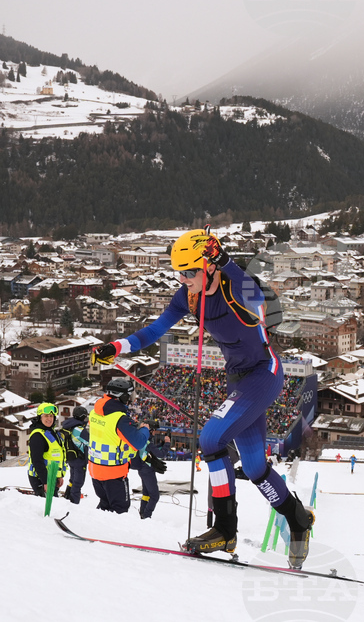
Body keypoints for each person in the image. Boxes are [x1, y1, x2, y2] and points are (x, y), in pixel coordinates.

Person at [94, 229, 314, 568]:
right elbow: (155, 330)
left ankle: (224, 529)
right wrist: (117, 347)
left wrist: (226, 261)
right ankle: (298, 519)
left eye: (190, 271)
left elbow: (257, 297)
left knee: (211, 438)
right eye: (179, 273)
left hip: (263, 373)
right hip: (237, 378)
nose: (184, 279)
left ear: (209, 266)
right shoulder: (188, 296)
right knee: (255, 468)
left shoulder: (233, 286)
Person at [87, 377, 152, 514]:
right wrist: (145, 430)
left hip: (95, 469)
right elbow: (138, 442)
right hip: (113, 472)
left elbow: (108, 434)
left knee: (105, 505)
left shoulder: (95, 412)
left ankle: (95, 524)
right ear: (123, 396)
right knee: (120, 509)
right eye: (129, 396)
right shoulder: (119, 419)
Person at [27, 402, 67, 498]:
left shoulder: (50, 432)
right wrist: (45, 481)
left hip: (52, 476)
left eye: (51, 416)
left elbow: (55, 457)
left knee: (54, 503)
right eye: (46, 416)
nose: (49, 419)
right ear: (40, 417)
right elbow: (37, 461)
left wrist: (59, 475)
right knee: (47, 504)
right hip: (41, 478)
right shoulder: (38, 436)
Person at [130, 423, 167, 519]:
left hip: (142, 469)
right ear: (150, 430)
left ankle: (143, 513)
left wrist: (161, 444)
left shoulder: (142, 440)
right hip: (147, 471)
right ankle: (146, 516)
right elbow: (161, 454)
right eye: (154, 431)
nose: (155, 433)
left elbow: (150, 450)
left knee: (146, 494)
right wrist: (167, 443)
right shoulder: (147, 442)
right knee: (155, 496)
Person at [61, 406, 90, 504]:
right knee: (78, 483)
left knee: (72, 480)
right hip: (79, 459)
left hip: (71, 457)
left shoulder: (69, 426)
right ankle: (73, 503)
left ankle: (67, 498)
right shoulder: (80, 430)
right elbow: (89, 442)